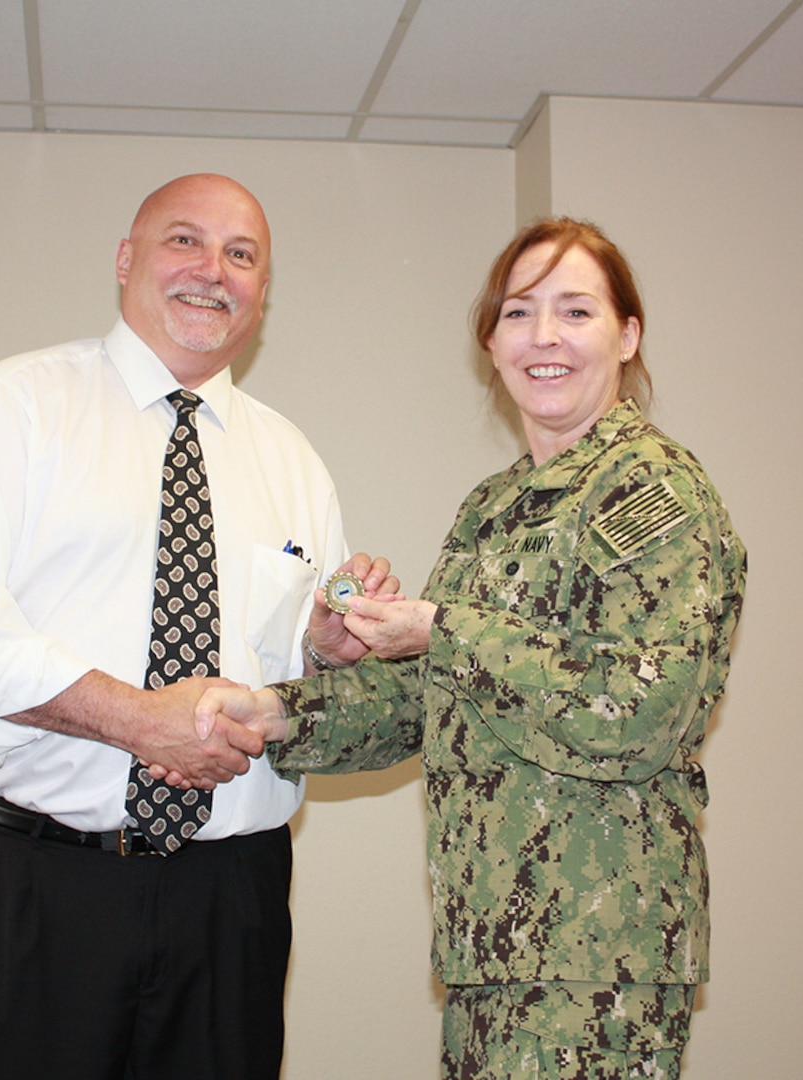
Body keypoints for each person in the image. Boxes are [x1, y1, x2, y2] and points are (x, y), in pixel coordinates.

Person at [193, 218, 746, 1079]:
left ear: (627, 333)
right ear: (491, 342)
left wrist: (446, 628)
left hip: (596, 956)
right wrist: (274, 714)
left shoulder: (653, 491)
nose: (545, 338)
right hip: (494, 943)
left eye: (576, 311)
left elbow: (644, 711)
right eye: (519, 314)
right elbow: (434, 695)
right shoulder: (496, 506)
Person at [0, 173, 395, 1080]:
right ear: (127, 259)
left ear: (262, 292)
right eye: (184, 241)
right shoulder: (21, 406)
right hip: (44, 886)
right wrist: (132, 717)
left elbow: (298, 683)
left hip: (231, 897)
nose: (213, 270)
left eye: (242, 255)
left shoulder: (293, 462)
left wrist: (325, 650)